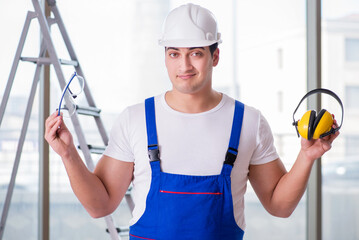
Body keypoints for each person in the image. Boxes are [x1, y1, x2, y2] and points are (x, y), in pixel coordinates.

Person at [44, 3, 339, 240]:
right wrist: (68, 154)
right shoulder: (135, 119)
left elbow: (279, 206)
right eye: (174, 54)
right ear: (165, 57)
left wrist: (306, 156)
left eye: (196, 53)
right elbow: (101, 205)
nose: (183, 66)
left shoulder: (248, 121)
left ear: (215, 56)